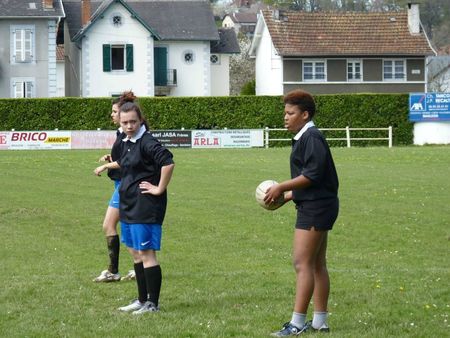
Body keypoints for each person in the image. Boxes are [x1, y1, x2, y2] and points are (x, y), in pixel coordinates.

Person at [264, 90, 339, 336]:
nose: (285, 117)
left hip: (317, 207)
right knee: (317, 263)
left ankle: (297, 323)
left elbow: (313, 175)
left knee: (302, 263)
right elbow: (313, 180)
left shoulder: (312, 137)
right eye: (285, 113)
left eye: (290, 113)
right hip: (318, 202)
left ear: (304, 115)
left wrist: (281, 186)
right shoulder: (303, 137)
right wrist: (285, 198)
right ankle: (320, 322)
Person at [94, 92, 175, 314]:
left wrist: (159, 188)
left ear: (140, 121)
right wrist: (107, 165)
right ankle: (141, 300)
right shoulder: (127, 142)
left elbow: (168, 162)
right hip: (128, 203)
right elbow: (124, 163)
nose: (129, 126)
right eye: (125, 122)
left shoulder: (147, 141)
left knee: (146, 253)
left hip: (146, 205)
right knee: (135, 253)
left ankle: (153, 304)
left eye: (133, 122)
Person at [93, 98, 135, 282]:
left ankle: (116, 271)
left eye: (114, 111)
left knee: (111, 226)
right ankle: (134, 267)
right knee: (125, 228)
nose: (112, 114)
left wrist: (107, 166)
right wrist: (110, 158)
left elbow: (129, 160)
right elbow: (124, 157)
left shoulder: (128, 134)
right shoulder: (121, 133)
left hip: (125, 185)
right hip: (122, 184)